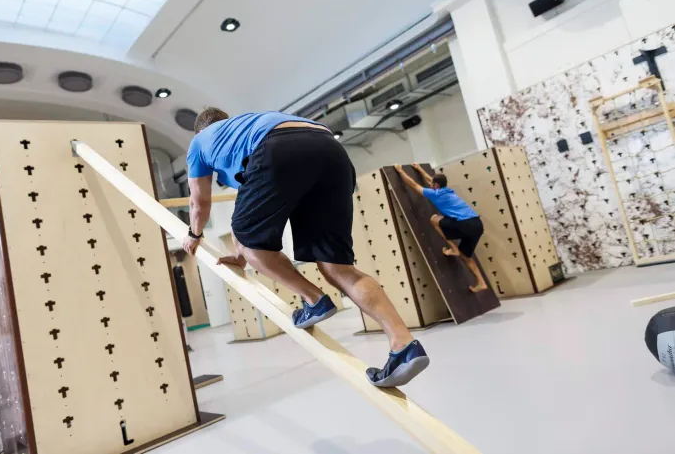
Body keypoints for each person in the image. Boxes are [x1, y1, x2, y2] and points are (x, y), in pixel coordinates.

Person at [182, 108, 429, 387]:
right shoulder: (246, 124)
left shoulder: (200, 142)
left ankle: (313, 300)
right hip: (330, 150)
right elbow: (255, 202)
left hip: (277, 149)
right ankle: (404, 345)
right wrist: (241, 253)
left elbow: (198, 203)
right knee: (338, 268)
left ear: (200, 131)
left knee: (250, 241)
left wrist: (194, 234)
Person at [394, 163, 488, 293]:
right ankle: (481, 282)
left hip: (465, 224)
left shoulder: (435, 194)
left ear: (436, 186)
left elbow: (414, 184)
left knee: (434, 219)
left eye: (432, 183)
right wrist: (419, 169)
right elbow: (429, 180)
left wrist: (400, 171)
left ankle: (454, 248)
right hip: (477, 225)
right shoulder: (447, 191)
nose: (430, 183)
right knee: (466, 256)